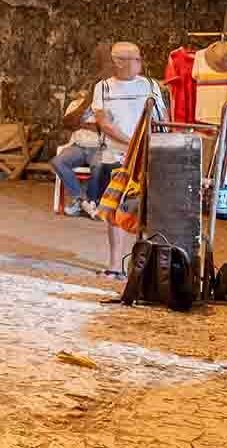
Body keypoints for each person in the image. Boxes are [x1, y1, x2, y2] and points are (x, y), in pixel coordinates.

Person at [92, 41, 166, 277]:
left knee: (148, 209)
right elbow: (104, 123)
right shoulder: (103, 88)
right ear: (119, 62)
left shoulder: (150, 85)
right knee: (117, 209)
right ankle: (115, 265)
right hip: (117, 156)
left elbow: (162, 119)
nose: (140, 62)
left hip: (147, 155)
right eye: (136, 58)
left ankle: (144, 264)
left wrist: (151, 144)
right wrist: (131, 142)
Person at [53, 89, 106, 218]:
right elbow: (67, 123)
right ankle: (83, 201)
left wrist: (81, 124)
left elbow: (102, 127)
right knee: (58, 162)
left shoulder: (104, 105)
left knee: (99, 166)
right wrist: (84, 107)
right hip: (78, 146)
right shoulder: (75, 104)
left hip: (98, 147)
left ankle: (92, 201)